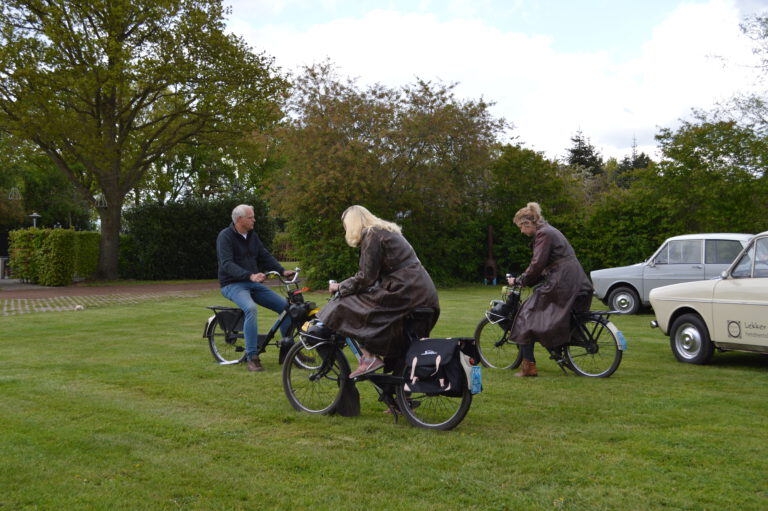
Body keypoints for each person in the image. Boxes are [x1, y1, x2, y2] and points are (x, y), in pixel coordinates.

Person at [317, 205, 440, 379]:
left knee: (342, 305)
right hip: (421, 292)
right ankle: (399, 403)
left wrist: (340, 287)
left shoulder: (372, 234)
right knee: (400, 346)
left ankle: (368, 357)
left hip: (404, 292)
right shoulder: (386, 231)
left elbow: (366, 277)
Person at [507, 202, 592, 377]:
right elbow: (545, 265)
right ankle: (555, 347)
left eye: (520, 228)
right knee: (549, 313)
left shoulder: (543, 234)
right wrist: (527, 280)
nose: (521, 232)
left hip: (562, 281)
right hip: (574, 278)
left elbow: (537, 264)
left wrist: (520, 280)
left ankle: (529, 366)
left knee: (526, 314)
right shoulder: (550, 230)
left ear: (527, 224)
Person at [217, 204, 294, 372]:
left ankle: (289, 352)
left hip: (252, 283)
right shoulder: (225, 236)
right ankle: (252, 356)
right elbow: (227, 264)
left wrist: (282, 270)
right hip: (232, 284)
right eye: (250, 217)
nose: (254, 220)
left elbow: (264, 255)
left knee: (287, 308)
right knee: (250, 309)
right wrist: (250, 275)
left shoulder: (252, 235)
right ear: (239, 220)